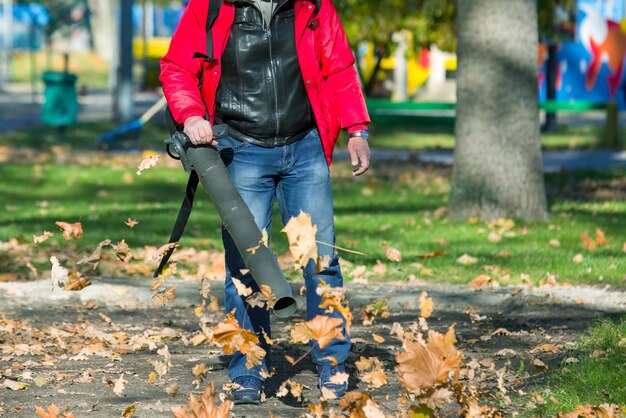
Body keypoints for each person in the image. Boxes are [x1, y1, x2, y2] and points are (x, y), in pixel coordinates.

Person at [160, 0, 370, 405]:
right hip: (241, 150)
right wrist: (190, 116)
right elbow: (177, 67)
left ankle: (332, 362)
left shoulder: (313, 5)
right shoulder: (211, 6)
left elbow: (339, 66)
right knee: (245, 266)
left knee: (320, 260)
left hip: (305, 147)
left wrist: (356, 128)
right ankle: (248, 368)